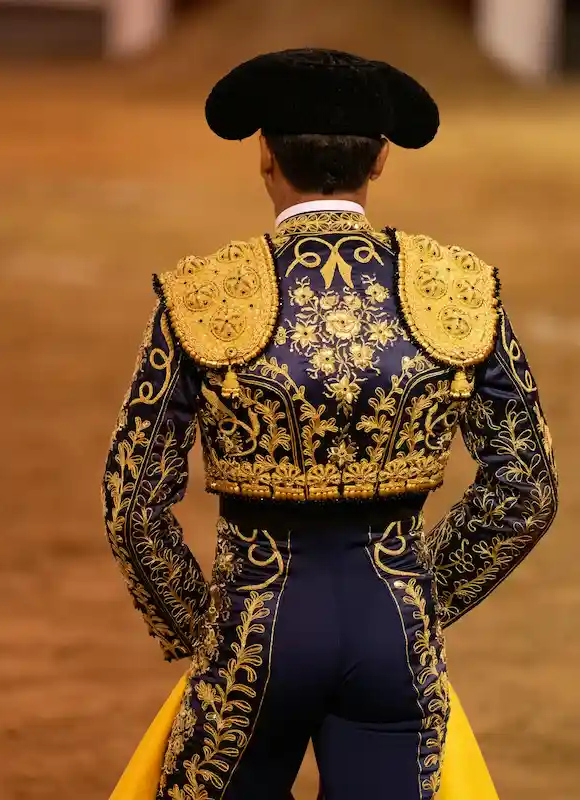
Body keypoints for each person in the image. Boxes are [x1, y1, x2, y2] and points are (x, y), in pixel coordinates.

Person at [102, 48, 558, 800]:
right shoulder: (456, 290)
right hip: (390, 631)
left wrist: (203, 626)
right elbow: (527, 489)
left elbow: (132, 503)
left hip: (256, 624)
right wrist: (415, 597)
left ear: (264, 155)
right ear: (380, 160)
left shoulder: (207, 295)